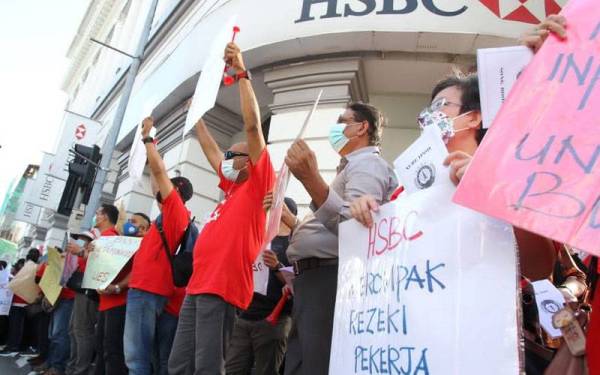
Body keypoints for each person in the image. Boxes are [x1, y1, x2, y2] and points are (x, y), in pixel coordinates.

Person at [168, 41, 275, 375]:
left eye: (234, 155)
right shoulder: (230, 189)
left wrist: (242, 72)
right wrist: (197, 119)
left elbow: (253, 126)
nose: (226, 160)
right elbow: (211, 150)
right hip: (197, 287)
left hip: (223, 289)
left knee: (207, 368)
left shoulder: (258, 185)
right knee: (179, 364)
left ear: (250, 161)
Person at [282, 102, 398, 375]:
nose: (335, 128)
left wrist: (312, 180)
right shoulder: (348, 169)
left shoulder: (368, 164)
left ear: (362, 127)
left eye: (342, 121)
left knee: (315, 365)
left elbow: (358, 229)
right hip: (313, 282)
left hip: (330, 279)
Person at [123, 116, 195, 375]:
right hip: (150, 288)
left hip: (147, 288)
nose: (159, 188)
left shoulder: (176, 210)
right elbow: (157, 177)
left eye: (166, 187)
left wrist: (147, 138)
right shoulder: (169, 213)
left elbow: (158, 173)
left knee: (137, 359)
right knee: (150, 357)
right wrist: (152, 147)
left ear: (174, 192)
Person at [225, 196, 298, 375]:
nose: (276, 218)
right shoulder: (260, 237)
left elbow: (298, 283)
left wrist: (277, 266)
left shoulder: (296, 244)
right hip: (244, 317)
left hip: (274, 321)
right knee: (233, 369)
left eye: (281, 214)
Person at [65, 205, 120, 375]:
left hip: (91, 291)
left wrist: (81, 252)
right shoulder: (103, 237)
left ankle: (79, 370)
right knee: (75, 330)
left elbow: (102, 262)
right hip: (86, 290)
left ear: (104, 217)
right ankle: (73, 367)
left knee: (82, 331)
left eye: (97, 213)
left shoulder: (110, 237)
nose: (95, 216)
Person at [95, 211, 149, 375]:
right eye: (130, 220)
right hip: (106, 302)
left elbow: (137, 271)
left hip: (120, 302)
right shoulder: (120, 243)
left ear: (144, 229)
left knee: (113, 350)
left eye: (134, 222)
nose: (130, 224)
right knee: (102, 347)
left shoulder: (143, 245)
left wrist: (118, 286)